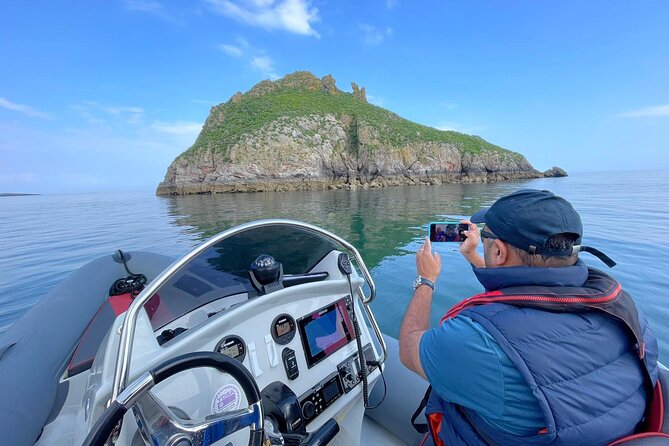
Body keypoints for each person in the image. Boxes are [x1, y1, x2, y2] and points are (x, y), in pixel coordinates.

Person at [399, 189, 659, 445]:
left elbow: (409, 349)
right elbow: (526, 294)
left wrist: (426, 279)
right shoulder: (624, 307)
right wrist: (474, 257)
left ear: (499, 252)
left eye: (486, 237)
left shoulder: (476, 342)